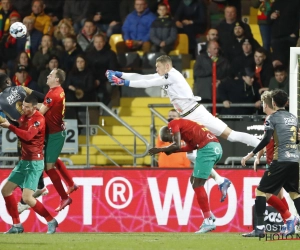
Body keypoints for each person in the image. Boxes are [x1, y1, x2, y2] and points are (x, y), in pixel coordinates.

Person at [106, 55, 263, 200]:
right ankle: (221, 180)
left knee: (231, 135)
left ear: (166, 66)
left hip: (197, 113)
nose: (156, 70)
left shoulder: (171, 75)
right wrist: (120, 74)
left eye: (158, 67)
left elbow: (148, 82)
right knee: (190, 155)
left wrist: (125, 83)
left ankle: (263, 144)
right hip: (188, 117)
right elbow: (144, 77)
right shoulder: (166, 75)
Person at [0, 73, 78, 213]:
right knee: (48, 158)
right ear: (7, 81)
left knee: (27, 162)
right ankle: (67, 185)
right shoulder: (21, 88)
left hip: (27, 133)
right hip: (42, 125)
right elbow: (44, 98)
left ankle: (37, 190)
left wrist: (8, 124)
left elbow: (9, 121)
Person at [241, 89, 300, 237]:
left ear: (273, 103)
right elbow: (296, 139)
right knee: (294, 194)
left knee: (260, 191)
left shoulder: (272, 118)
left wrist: (251, 153)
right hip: (295, 160)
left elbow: (267, 139)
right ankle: (290, 219)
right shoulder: (294, 118)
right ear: (286, 102)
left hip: (280, 160)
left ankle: (260, 228)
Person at [149, 118, 222, 233]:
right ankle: (209, 215)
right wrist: (170, 150)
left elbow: (177, 145)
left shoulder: (173, 124)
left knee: (198, 184)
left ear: (169, 130)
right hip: (214, 147)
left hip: (208, 149)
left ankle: (208, 221)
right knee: (194, 181)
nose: (171, 140)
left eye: (169, 138)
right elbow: (190, 147)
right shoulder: (186, 131)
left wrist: (161, 149)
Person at [0, 94, 58, 234]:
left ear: (34, 107)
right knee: (5, 190)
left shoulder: (39, 119)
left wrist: (9, 127)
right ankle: (17, 225)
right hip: (24, 162)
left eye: (27, 107)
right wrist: (5, 120)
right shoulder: (25, 117)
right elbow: (16, 123)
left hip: (35, 162)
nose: (24, 109)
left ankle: (51, 220)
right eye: (23, 106)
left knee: (26, 198)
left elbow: (27, 136)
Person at [38, 68, 76, 212]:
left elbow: (41, 113)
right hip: (54, 132)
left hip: (54, 135)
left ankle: (64, 197)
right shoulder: (58, 91)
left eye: (51, 75)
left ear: (57, 80)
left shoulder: (53, 94)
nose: (47, 76)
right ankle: (71, 184)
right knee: (52, 159)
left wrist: (24, 111)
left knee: (48, 167)